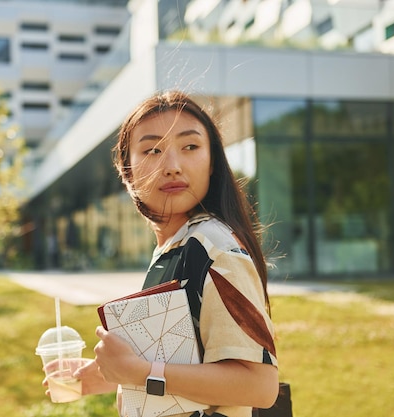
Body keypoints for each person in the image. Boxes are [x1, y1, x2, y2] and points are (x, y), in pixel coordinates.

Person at [44, 90, 279, 417]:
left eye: (190, 147)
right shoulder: (176, 247)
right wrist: (114, 375)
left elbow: (259, 386)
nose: (172, 166)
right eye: (152, 150)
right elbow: (189, 362)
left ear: (213, 163)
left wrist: (139, 373)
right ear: (126, 171)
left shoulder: (215, 249)